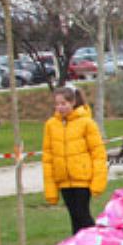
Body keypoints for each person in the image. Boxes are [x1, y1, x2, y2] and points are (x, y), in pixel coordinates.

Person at [43, 87, 107, 234]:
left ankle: (96, 241)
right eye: (57, 104)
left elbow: (98, 152)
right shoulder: (51, 125)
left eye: (64, 103)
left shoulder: (86, 123)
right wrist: (51, 188)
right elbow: (48, 156)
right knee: (74, 217)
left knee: (82, 215)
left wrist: (98, 181)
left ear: (73, 102)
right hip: (64, 179)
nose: (60, 107)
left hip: (82, 178)